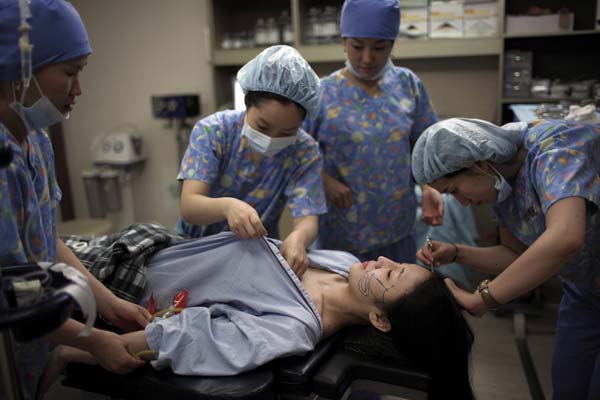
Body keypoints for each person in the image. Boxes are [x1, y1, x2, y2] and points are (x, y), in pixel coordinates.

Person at [47, 230, 474, 398]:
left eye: (391, 273)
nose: (380, 259)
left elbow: (190, 338)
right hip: (142, 244)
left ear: (380, 320)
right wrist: (297, 236)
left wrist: (83, 346)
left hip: (120, 281)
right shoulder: (344, 263)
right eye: (393, 261)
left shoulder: (294, 326)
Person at [0, 1, 151, 397]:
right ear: (21, 68)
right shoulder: (3, 161)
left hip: (36, 337)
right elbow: (11, 296)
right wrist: (92, 340)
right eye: (70, 72)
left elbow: (47, 240)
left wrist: (109, 304)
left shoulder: (37, 140)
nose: (78, 89)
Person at [411, 117, 600, 399]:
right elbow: (515, 256)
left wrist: (483, 298)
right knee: (569, 387)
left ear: (479, 165)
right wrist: (457, 252)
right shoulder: (502, 189)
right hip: (586, 291)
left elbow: (566, 238)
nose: (461, 203)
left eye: (454, 191)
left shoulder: (555, 148)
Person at [304, 0, 444, 263]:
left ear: (392, 44)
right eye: (357, 46)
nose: (367, 58)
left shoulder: (408, 85)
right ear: (344, 41)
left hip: (398, 227)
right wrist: (325, 181)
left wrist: (428, 187)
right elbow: (297, 153)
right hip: (342, 230)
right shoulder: (322, 92)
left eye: (379, 48)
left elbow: (426, 146)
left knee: (398, 296)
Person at [175, 45, 326, 277]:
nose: (270, 139)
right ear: (246, 103)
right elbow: (189, 206)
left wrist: (298, 237)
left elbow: (307, 217)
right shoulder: (214, 132)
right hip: (195, 251)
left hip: (253, 255)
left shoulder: (304, 151)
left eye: (287, 132)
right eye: (262, 126)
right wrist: (227, 207)